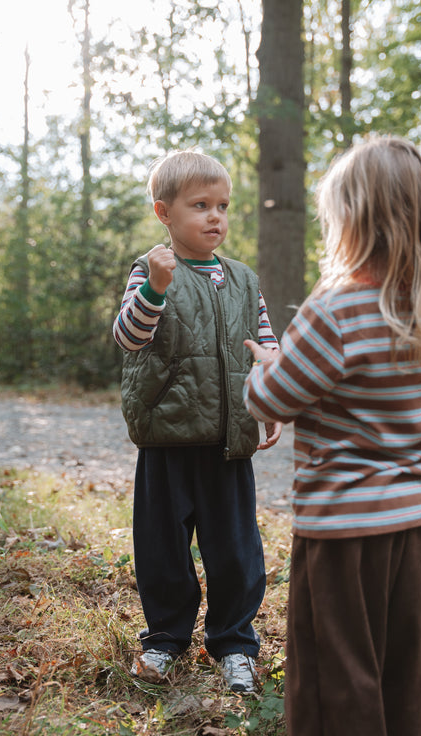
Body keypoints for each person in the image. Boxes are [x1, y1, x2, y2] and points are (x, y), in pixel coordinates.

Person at [243, 137, 421, 735]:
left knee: (335, 685)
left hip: (341, 533)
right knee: (403, 680)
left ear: (350, 218)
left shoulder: (336, 308)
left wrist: (265, 364)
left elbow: (270, 399)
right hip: (410, 529)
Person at [113, 150, 281, 693]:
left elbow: (264, 346)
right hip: (167, 435)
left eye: (223, 206)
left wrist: (272, 395)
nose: (216, 217)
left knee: (236, 549)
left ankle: (233, 644)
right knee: (162, 547)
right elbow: (128, 337)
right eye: (200, 205)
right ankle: (165, 638)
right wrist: (155, 289)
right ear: (165, 213)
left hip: (229, 439)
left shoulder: (243, 279)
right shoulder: (152, 269)